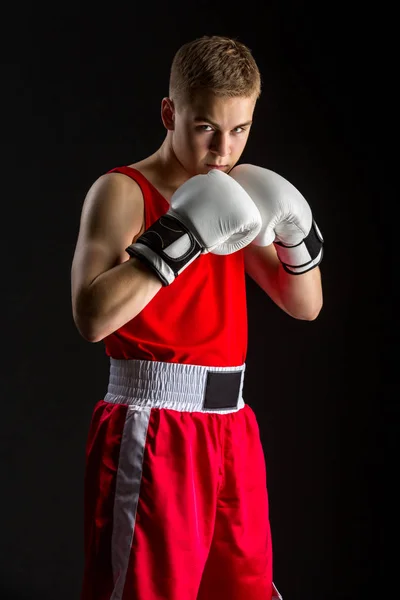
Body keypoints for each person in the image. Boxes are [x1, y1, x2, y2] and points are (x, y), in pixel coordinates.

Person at [71, 35, 324, 600]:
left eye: (239, 130)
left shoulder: (234, 199)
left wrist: (295, 234)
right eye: (207, 127)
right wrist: (180, 238)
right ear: (170, 113)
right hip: (154, 422)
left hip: (232, 424)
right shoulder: (122, 191)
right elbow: (90, 318)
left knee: (244, 590)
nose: (223, 150)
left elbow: (304, 304)